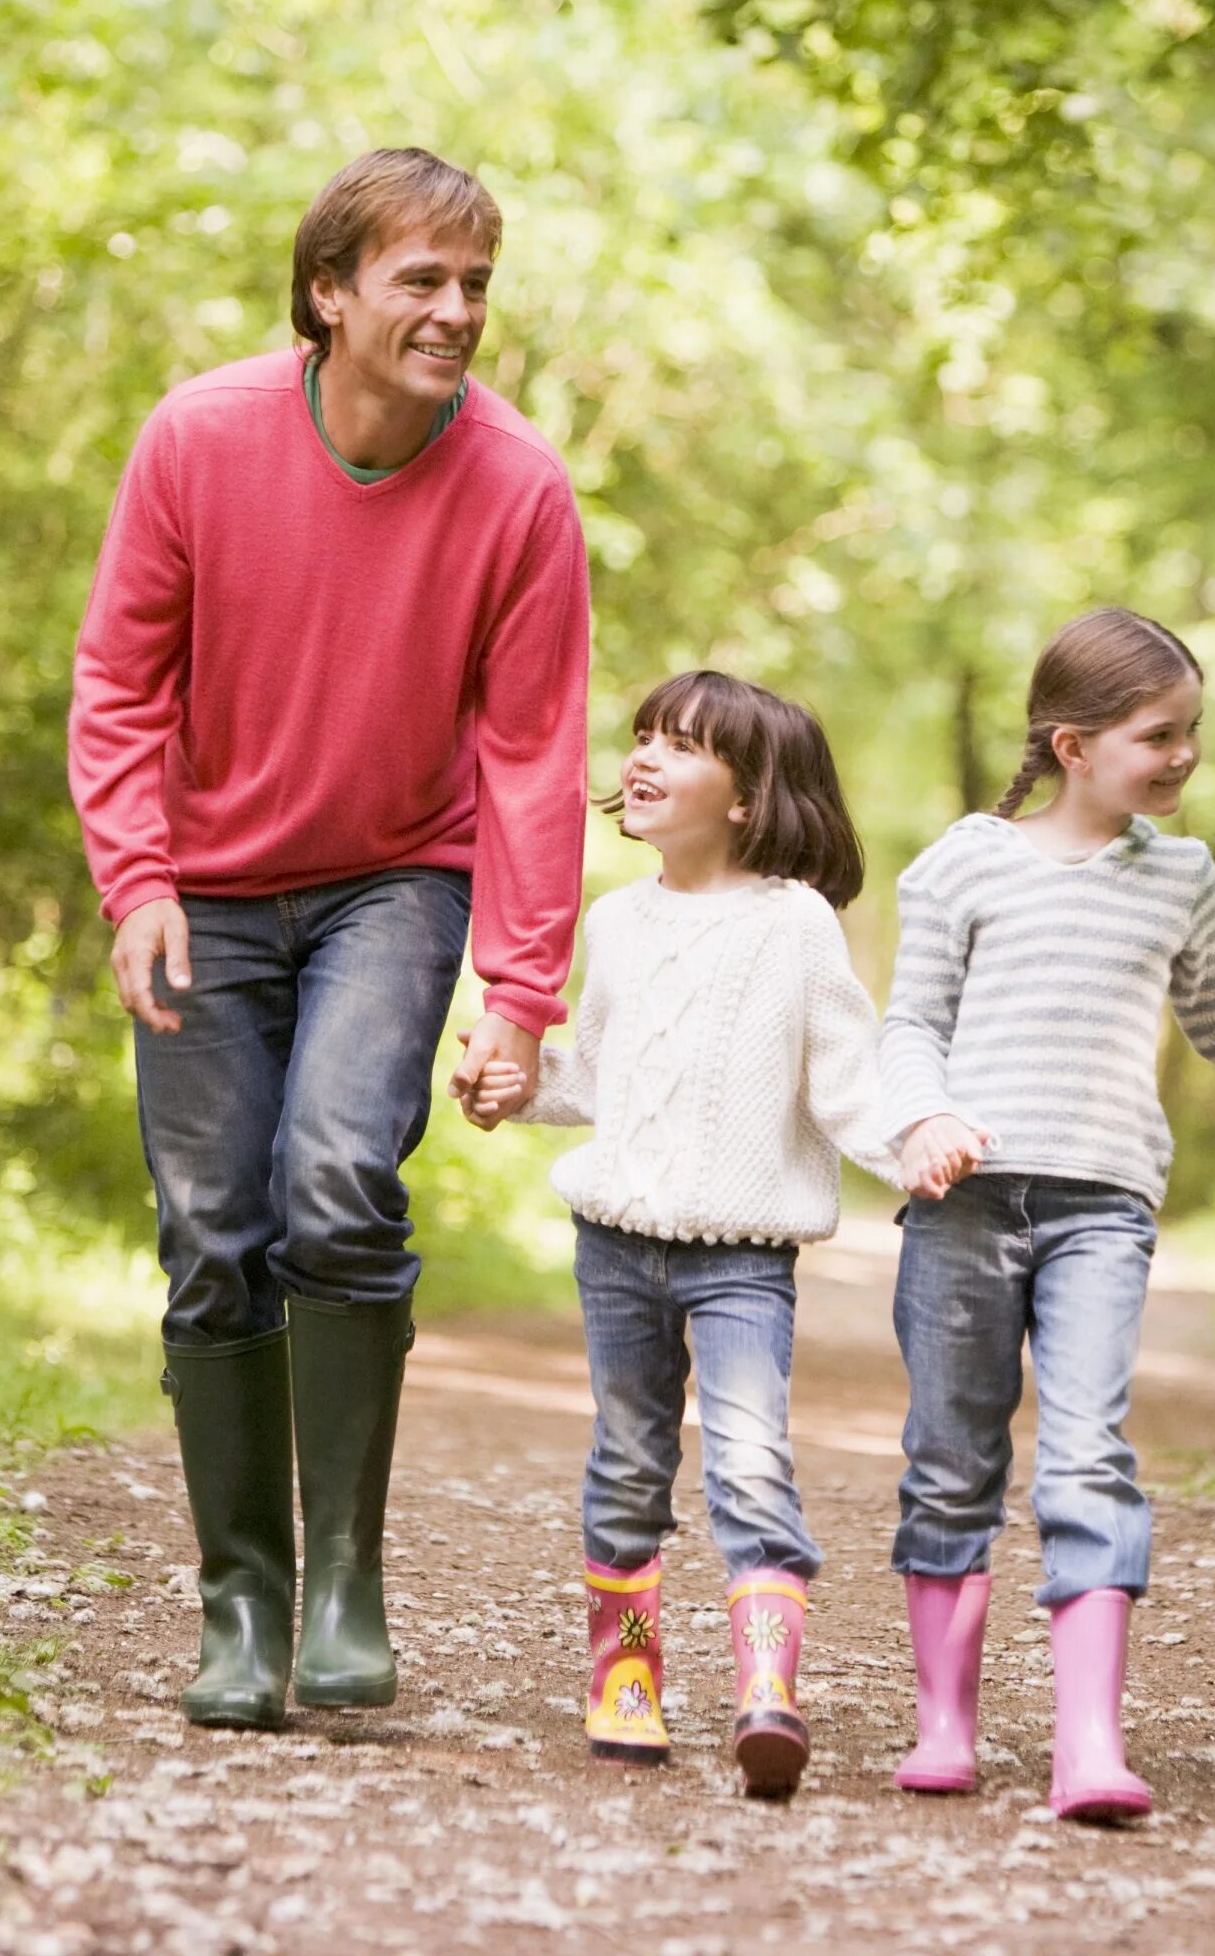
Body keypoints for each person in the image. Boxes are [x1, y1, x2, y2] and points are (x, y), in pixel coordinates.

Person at [66, 148, 591, 1733]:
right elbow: (118, 682)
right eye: (422, 281)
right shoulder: (199, 437)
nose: (455, 313)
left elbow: (533, 753)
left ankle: (346, 1578)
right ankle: (243, 1602)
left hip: (392, 879)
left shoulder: (517, 487)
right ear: (331, 292)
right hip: (207, 889)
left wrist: (519, 990)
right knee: (213, 1230)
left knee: (338, 1180)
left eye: (475, 286)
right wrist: (137, 880)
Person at [880, 607, 1215, 1822]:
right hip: (961, 1203)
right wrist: (923, 1117)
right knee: (953, 1456)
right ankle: (946, 1723)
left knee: (1087, 1453)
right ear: (1071, 745)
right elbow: (909, 1022)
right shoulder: (965, 860)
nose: (1183, 755)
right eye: (1155, 735)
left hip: (1101, 1208)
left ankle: (1089, 1743)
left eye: (1193, 733)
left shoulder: (1179, 873)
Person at [465, 671, 897, 1801]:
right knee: (626, 1457)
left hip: (744, 1252)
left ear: (749, 795)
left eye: (684, 746)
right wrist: (519, 1081)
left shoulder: (799, 925)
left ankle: (768, 1693)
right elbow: (602, 1076)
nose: (644, 758)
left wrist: (925, 1142)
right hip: (615, 1241)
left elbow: (848, 1084)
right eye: (643, 736)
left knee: (752, 1460)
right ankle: (626, 1679)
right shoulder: (613, 919)